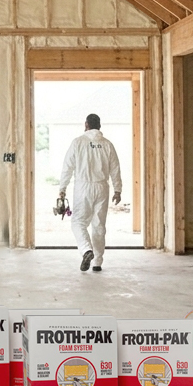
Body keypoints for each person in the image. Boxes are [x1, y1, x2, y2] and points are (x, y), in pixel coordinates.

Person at [58, 113, 122, 273]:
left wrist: (62, 189)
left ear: (86, 124)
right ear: (99, 126)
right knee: (99, 225)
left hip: (83, 187)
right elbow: (115, 168)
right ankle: (97, 263)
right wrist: (118, 189)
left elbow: (68, 167)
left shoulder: (78, 142)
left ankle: (87, 250)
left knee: (78, 222)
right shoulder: (107, 144)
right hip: (102, 187)